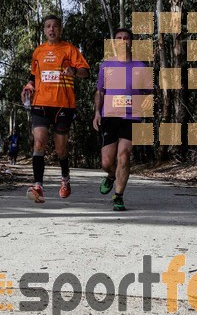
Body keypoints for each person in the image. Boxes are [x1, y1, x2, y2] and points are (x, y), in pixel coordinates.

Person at [21, 15, 89, 203]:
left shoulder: (69, 49)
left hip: (63, 105)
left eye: (55, 26)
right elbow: (33, 75)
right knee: (39, 143)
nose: (52, 29)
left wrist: (74, 71)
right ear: (44, 30)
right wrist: (28, 86)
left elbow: (86, 72)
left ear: (60, 30)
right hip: (40, 103)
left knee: (61, 149)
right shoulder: (38, 51)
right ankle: (38, 186)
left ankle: (65, 178)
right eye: (48, 26)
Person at [93, 28, 153, 211]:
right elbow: (100, 92)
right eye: (119, 38)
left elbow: (149, 94)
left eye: (126, 38)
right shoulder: (106, 66)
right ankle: (111, 176)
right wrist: (97, 113)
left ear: (131, 42)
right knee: (106, 162)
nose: (122, 41)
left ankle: (118, 196)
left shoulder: (142, 67)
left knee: (124, 156)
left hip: (131, 118)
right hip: (109, 116)